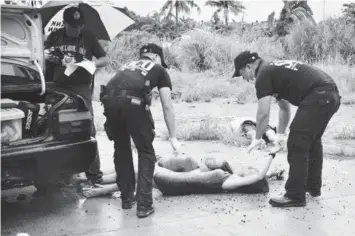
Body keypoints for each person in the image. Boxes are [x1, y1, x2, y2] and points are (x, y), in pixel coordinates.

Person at [232, 51, 341, 207]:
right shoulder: (272, 70)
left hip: (318, 96)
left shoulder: (263, 76)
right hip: (331, 95)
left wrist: (257, 138)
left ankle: (295, 195)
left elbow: (263, 114)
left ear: (249, 67)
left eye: (241, 73)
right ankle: (312, 188)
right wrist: (280, 135)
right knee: (311, 140)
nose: (244, 78)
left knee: (297, 142)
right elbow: (284, 108)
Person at [100, 43, 181, 218]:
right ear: (157, 57)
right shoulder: (159, 69)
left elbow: (116, 87)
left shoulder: (127, 65)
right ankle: (144, 205)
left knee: (121, 148)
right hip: (133, 102)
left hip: (109, 100)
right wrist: (173, 137)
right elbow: (167, 106)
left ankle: (127, 199)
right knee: (146, 152)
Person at [44, 7, 110, 186]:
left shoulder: (88, 36)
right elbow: (43, 55)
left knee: (87, 128)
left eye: (79, 26)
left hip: (82, 88)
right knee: (57, 128)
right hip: (58, 87)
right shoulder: (55, 36)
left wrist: (91, 63)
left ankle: (94, 175)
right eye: (73, 26)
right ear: (65, 23)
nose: (76, 29)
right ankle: (61, 175)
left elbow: (105, 59)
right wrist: (56, 59)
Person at [81, 154, 285, 198]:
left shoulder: (230, 182)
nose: (249, 169)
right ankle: (99, 188)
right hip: (174, 184)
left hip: (173, 184)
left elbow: (257, 177)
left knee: (137, 170)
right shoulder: (227, 176)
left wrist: (271, 155)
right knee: (137, 174)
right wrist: (276, 173)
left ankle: (96, 181)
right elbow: (255, 175)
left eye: (251, 171)